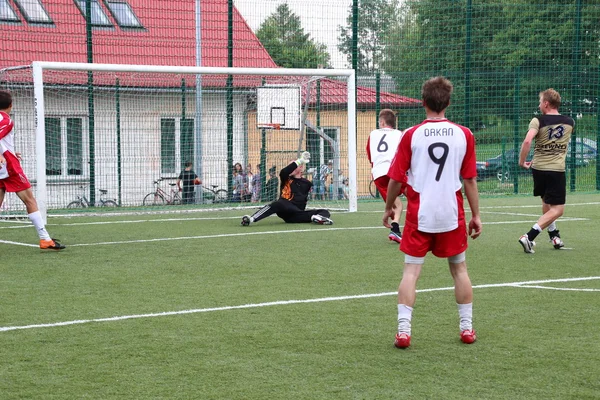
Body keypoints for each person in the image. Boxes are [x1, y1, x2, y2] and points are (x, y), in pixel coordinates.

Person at [382, 77, 481, 348]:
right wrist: (476, 215)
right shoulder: (464, 134)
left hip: (418, 214)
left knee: (411, 273)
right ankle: (467, 329)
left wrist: (389, 207)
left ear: (423, 102)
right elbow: (470, 179)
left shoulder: (411, 134)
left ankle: (403, 332)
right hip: (451, 214)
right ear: (448, 102)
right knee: (459, 270)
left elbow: (396, 178)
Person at [0, 89, 65, 250]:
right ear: (11, 105)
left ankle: (46, 239)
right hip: (9, 167)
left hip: (5, 162)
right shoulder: (6, 120)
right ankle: (45, 239)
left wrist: (8, 151)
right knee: (30, 200)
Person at [517, 88, 574, 253]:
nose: (539, 104)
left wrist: (522, 162)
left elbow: (527, 141)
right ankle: (529, 236)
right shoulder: (569, 122)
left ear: (546, 103)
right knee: (558, 209)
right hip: (556, 170)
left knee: (547, 204)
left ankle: (554, 236)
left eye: (540, 101)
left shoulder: (538, 121)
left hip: (538, 169)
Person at [241, 152, 333, 226]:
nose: (290, 168)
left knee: (324, 211)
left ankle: (319, 218)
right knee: (277, 204)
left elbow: (303, 200)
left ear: (300, 168)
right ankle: (251, 219)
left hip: (295, 215)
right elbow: (284, 171)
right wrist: (300, 160)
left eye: (293, 165)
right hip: (284, 207)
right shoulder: (286, 178)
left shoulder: (307, 183)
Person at [367, 108, 405, 244]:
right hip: (394, 171)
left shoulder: (373, 134)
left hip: (379, 174)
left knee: (397, 205)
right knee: (414, 195)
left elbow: (370, 157)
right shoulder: (399, 134)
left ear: (382, 122)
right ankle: (403, 229)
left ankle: (395, 229)